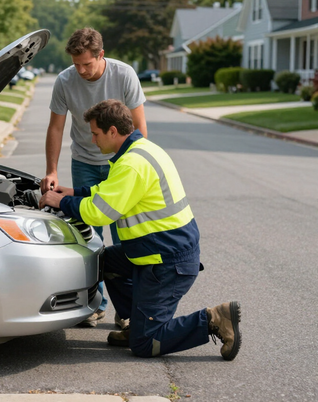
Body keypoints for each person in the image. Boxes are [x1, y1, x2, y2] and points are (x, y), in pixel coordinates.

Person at [39, 100, 241, 360]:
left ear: (113, 131)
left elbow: (99, 213)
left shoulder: (132, 164)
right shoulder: (140, 150)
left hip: (166, 262)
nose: (92, 139)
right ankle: (138, 322)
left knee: (145, 344)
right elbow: (113, 191)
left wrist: (61, 201)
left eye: (95, 133)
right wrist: (76, 192)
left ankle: (213, 319)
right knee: (106, 261)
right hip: (158, 250)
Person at [41, 27, 147, 328]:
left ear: (101, 55)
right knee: (87, 235)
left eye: (86, 64)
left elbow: (139, 126)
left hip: (121, 164)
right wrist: (52, 169)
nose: (81, 70)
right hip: (84, 161)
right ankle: (96, 304)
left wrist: (135, 166)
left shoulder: (124, 75)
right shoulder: (65, 81)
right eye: (76, 64)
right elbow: (56, 128)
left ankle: (127, 307)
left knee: (124, 233)